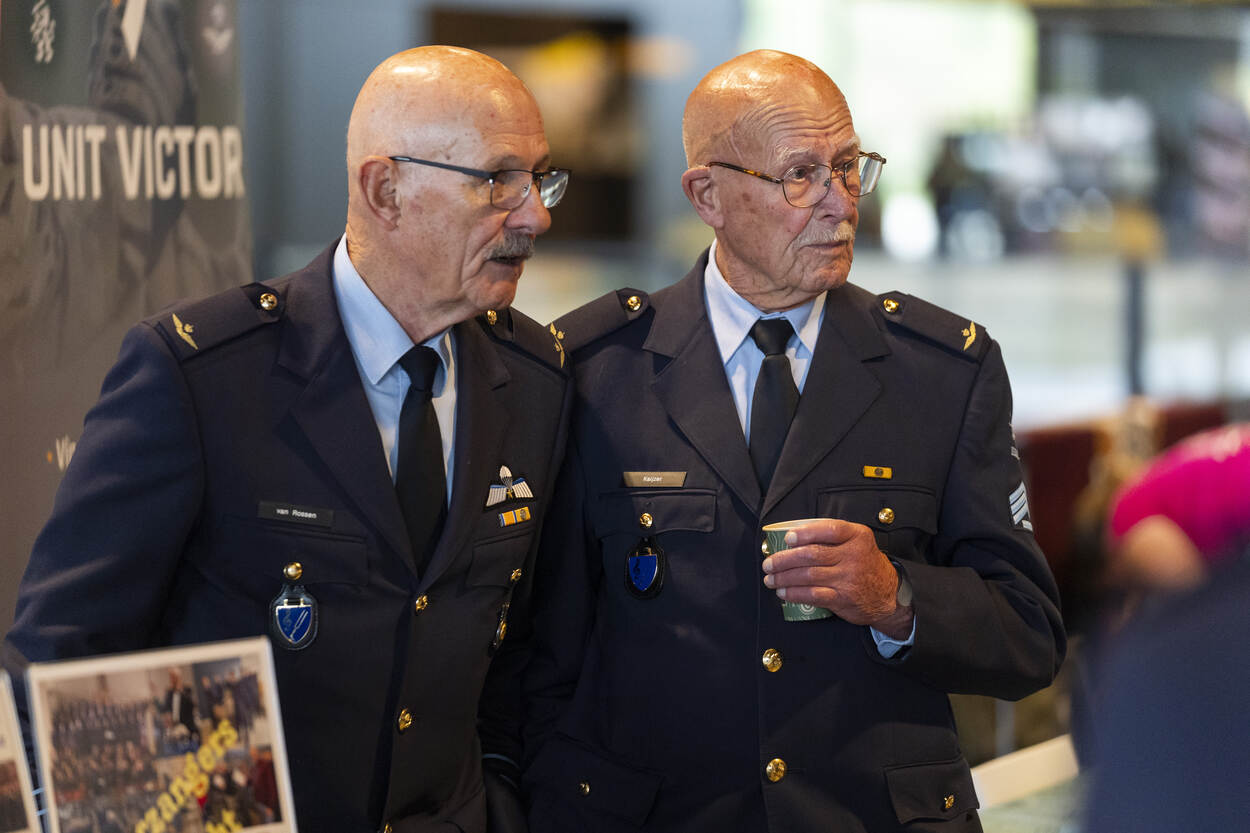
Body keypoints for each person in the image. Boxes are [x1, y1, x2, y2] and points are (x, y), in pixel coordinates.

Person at [3, 46, 573, 832]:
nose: (536, 215)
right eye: (498, 181)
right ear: (385, 189)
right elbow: (62, 659)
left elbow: (527, 656)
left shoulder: (535, 377)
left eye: (539, 178)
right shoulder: (202, 377)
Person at [523, 50, 1065, 832]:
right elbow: (541, 658)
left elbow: (1028, 633)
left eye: (848, 167)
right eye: (801, 175)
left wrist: (897, 597)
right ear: (707, 195)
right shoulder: (593, 369)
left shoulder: (942, 372)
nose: (841, 203)